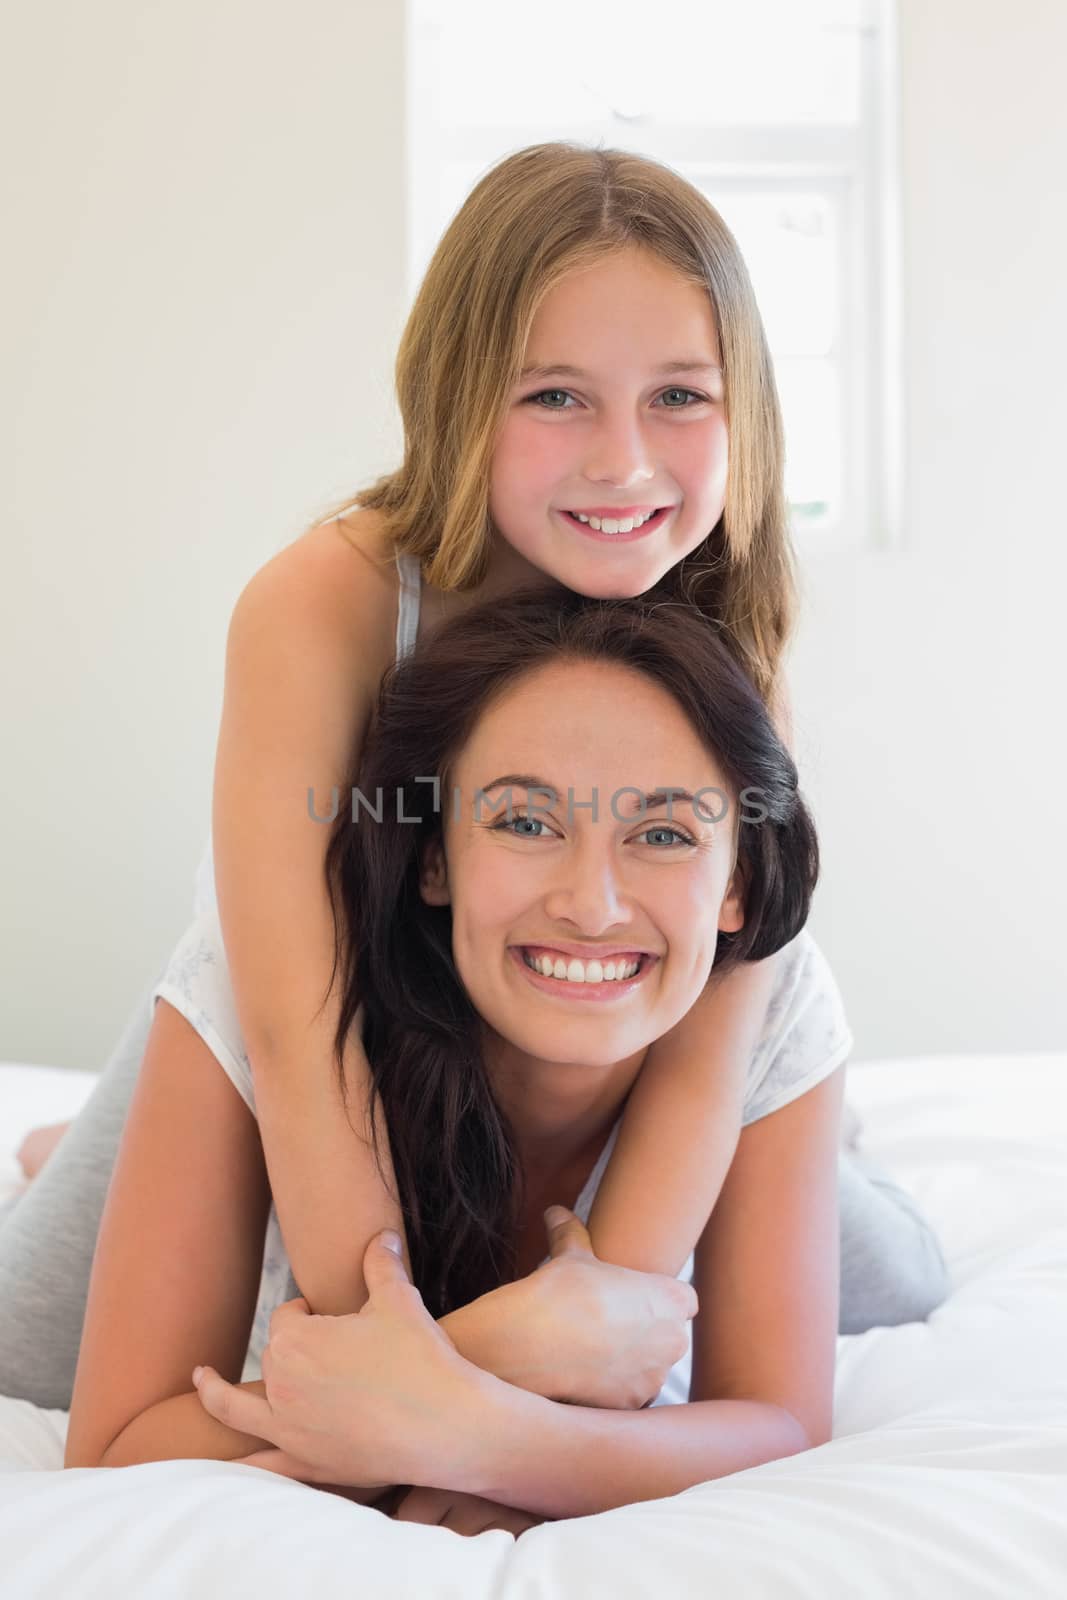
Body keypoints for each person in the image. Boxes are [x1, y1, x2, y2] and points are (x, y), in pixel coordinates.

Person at [0, 141, 948, 1413]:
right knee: (32, 1334)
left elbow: (725, 1021)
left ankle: (829, 1141)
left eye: (679, 396)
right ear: (459, 395)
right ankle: (69, 1150)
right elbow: (289, 1019)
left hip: (623, 1046)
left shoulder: (731, 644)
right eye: (555, 397)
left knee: (895, 1274)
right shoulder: (326, 606)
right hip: (310, 1008)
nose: (622, 464)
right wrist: (400, 1366)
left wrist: (598, 1318)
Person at [68, 587, 843, 1529]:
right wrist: (509, 1346)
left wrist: (486, 1437)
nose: (590, 905)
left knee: (899, 1267)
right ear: (434, 858)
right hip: (246, 1069)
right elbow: (114, 1452)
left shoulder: (774, 1006)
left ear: (737, 885)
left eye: (664, 834)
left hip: (774, 1124)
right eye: (524, 823)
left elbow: (782, 1425)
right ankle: (51, 1145)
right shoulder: (252, 990)